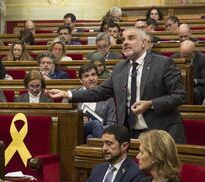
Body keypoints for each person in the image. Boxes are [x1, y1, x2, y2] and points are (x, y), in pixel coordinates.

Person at [47, 28, 187, 143]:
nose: (125, 42)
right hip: (132, 134)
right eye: (123, 39)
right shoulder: (120, 68)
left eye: (131, 38)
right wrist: (67, 94)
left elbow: (180, 96)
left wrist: (151, 104)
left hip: (161, 133)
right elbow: (100, 92)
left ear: (144, 43)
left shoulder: (163, 63)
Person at [78, 125, 143, 182]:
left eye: (109, 143)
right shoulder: (98, 169)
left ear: (124, 146)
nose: (104, 148)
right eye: (103, 143)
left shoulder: (135, 173)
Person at [66, 63, 116, 138]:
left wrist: (98, 127)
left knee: (91, 134)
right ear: (81, 80)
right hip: (75, 133)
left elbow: (112, 124)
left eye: (93, 75)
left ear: (97, 77)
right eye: (86, 76)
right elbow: (64, 121)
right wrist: (79, 122)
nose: (91, 78)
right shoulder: (71, 95)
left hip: (100, 134)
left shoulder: (108, 97)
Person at [171, 40, 205, 105]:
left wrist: (194, 81)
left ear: (193, 52)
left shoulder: (202, 59)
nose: (183, 58)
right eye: (182, 55)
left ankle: (194, 111)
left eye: (186, 56)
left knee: (194, 92)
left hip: (197, 86)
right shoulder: (174, 57)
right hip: (178, 84)